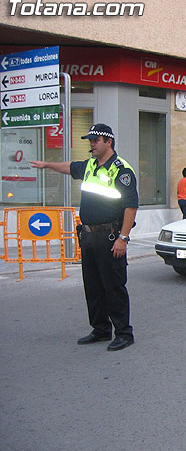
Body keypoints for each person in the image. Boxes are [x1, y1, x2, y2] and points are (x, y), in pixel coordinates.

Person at [30, 124, 139, 351]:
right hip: (88, 236)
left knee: (114, 286)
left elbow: (131, 207)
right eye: (89, 140)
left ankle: (123, 333)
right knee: (93, 286)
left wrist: (123, 238)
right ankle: (100, 329)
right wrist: (47, 164)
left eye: (95, 140)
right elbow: (69, 167)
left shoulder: (121, 170)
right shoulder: (89, 165)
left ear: (108, 141)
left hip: (110, 236)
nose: (91, 144)